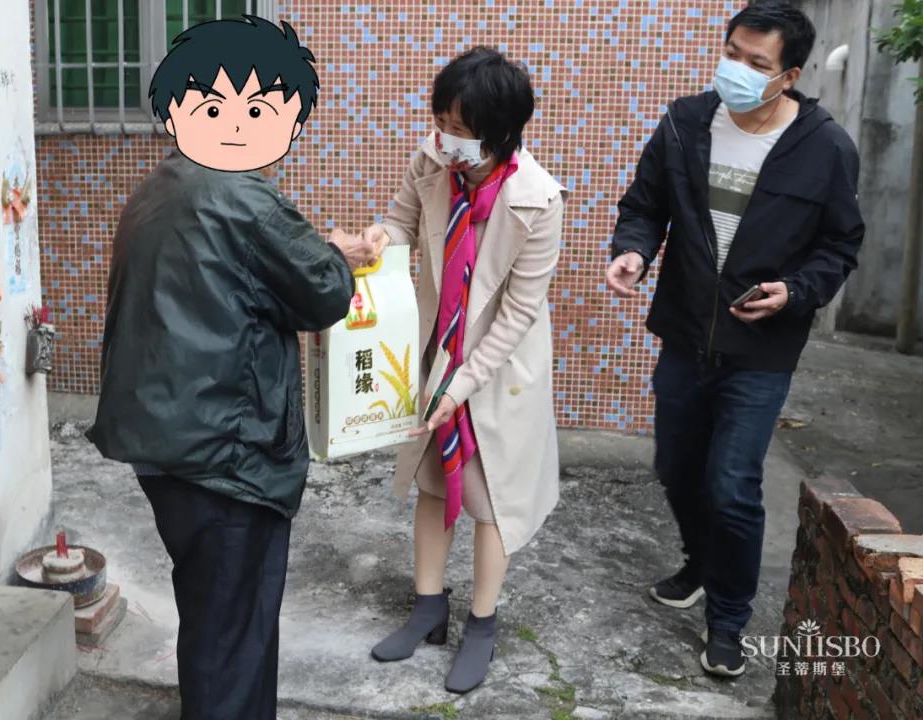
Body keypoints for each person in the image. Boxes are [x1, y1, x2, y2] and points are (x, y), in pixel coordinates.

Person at [85, 16, 375, 719]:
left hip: (165, 443)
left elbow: (236, 279)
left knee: (213, 617)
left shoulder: (159, 187)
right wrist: (340, 253)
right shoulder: (244, 198)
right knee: (232, 636)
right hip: (225, 454)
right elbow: (323, 293)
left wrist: (317, 250)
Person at [606, 2, 864, 678]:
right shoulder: (685, 122)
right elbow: (644, 206)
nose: (737, 71)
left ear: (789, 76)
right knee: (676, 467)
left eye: (757, 63)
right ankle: (700, 562)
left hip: (760, 348)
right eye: (732, 54)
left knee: (733, 485)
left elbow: (840, 245)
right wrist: (633, 250)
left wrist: (796, 291)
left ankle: (727, 620)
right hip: (685, 333)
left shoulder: (825, 147)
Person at [362, 47, 567, 694]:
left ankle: (482, 622)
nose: (445, 136)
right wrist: (379, 238)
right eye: (441, 121)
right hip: (436, 348)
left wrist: (461, 385)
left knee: (489, 498)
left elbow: (517, 314)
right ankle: (428, 607)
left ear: (500, 132)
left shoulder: (539, 200)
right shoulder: (432, 160)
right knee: (431, 481)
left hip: (498, 369)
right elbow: (400, 220)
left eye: (459, 127)